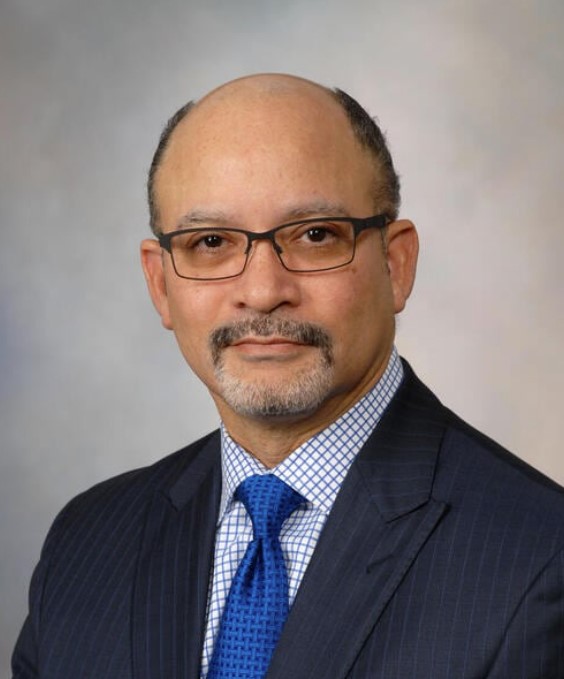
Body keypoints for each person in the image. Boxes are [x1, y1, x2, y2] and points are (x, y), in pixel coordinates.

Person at [12, 74, 564, 679]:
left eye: (315, 235)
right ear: (160, 283)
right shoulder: (86, 544)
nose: (262, 291)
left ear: (396, 263)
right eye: (211, 241)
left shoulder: (541, 559)